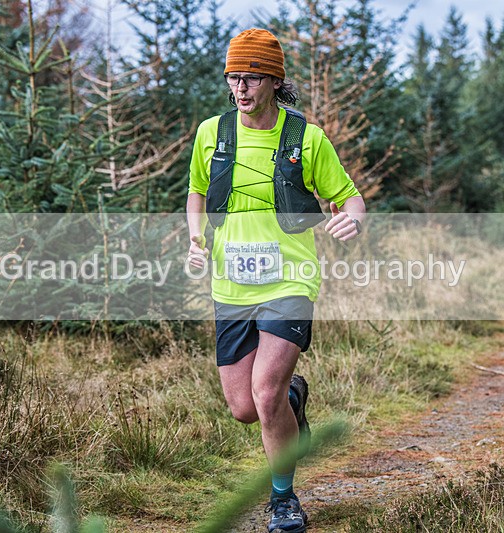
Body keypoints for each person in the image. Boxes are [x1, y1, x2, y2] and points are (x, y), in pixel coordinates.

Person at [186, 28, 365, 533]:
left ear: (274, 80)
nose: (240, 89)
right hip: (231, 287)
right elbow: (196, 193)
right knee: (245, 407)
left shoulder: (305, 138)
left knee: (264, 392)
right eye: (233, 78)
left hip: (290, 281)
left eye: (251, 78)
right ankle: (293, 399)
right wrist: (196, 240)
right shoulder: (211, 133)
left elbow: (350, 196)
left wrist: (353, 218)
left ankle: (283, 500)